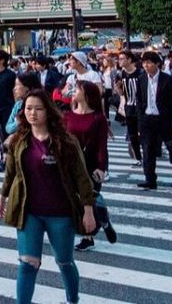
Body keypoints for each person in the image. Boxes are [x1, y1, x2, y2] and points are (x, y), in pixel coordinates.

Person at [0, 90, 97, 304]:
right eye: (28, 108)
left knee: (65, 261)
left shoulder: (66, 142)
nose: (32, 113)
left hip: (60, 213)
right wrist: (2, 198)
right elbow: (11, 173)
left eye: (38, 108)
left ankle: (72, 299)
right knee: (27, 263)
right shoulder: (19, 141)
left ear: (48, 112)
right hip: (29, 211)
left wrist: (88, 210)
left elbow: (82, 177)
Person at [66, 81, 117, 251]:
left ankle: (92, 232)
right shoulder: (68, 115)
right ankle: (100, 221)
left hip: (91, 163)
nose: (75, 91)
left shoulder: (98, 118)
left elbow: (102, 145)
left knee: (89, 197)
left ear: (87, 94)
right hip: (72, 163)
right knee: (76, 199)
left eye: (78, 89)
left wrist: (102, 168)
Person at [134, 51, 172, 189]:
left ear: (157, 63)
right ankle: (150, 179)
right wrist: (140, 122)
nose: (146, 65)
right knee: (148, 150)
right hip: (148, 119)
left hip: (165, 119)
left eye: (149, 62)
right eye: (144, 63)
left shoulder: (168, 79)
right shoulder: (142, 79)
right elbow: (139, 101)